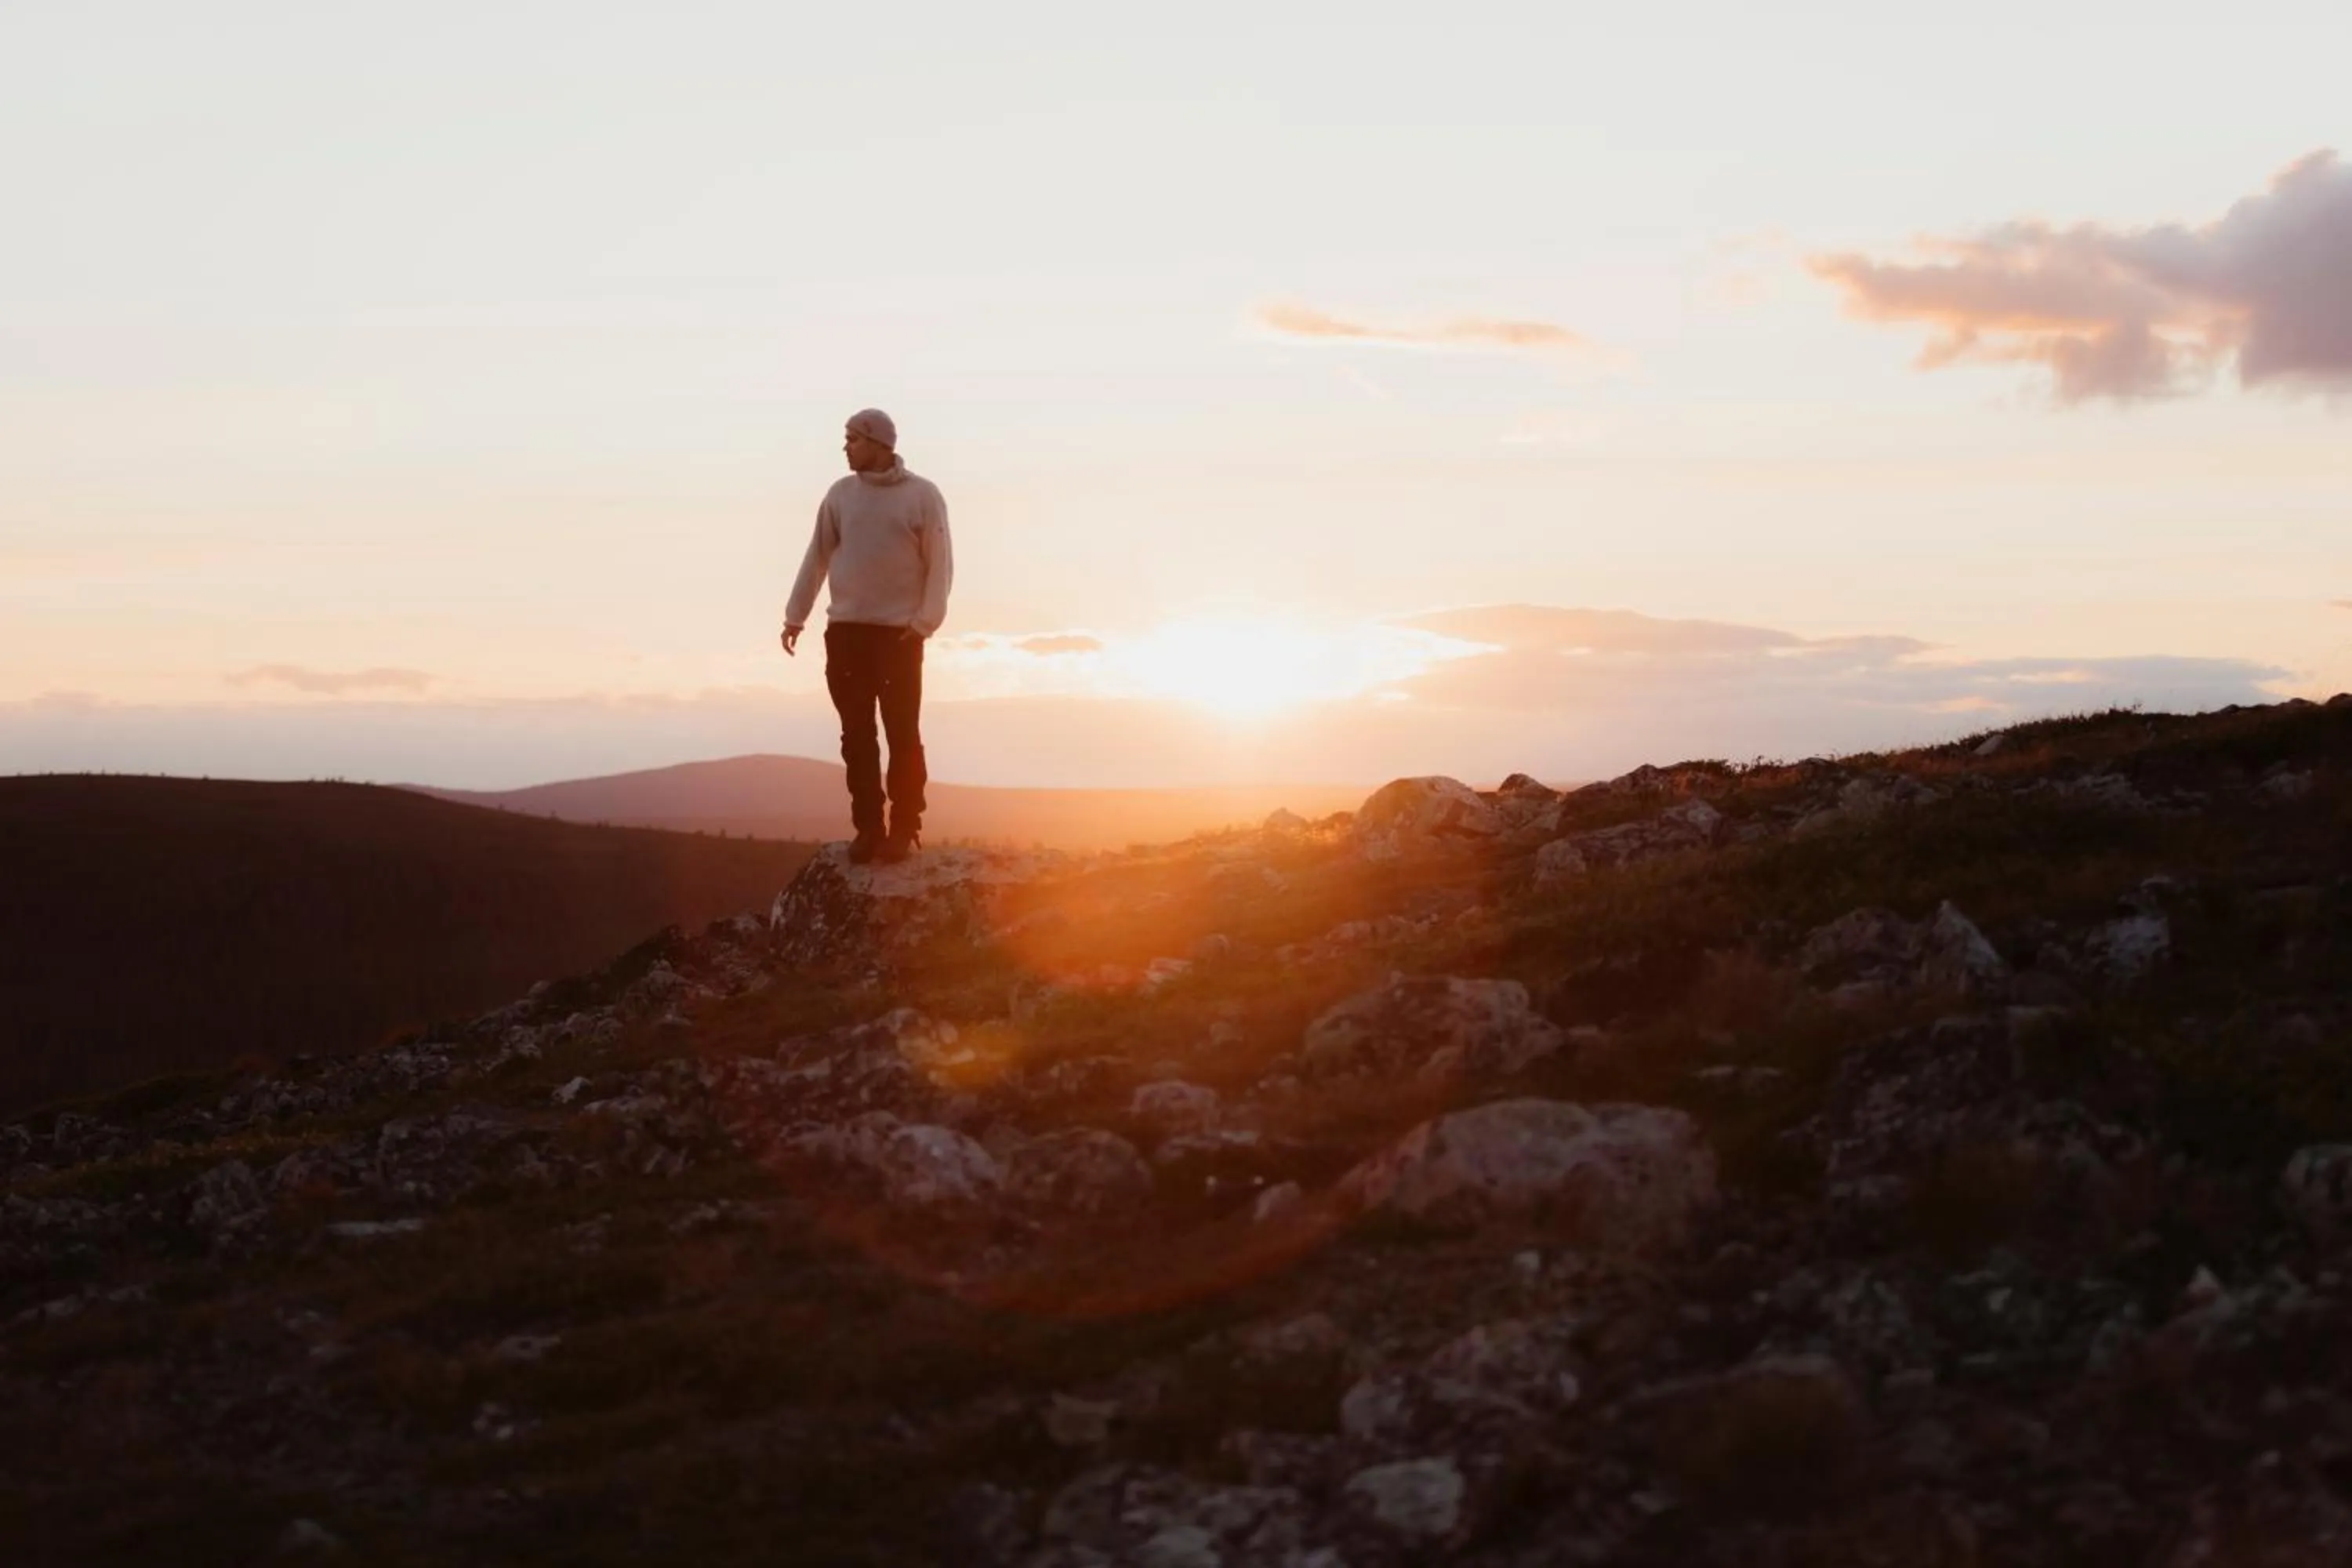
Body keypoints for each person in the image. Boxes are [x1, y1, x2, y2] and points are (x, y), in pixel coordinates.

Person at [781, 408, 953, 864]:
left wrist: (924, 624)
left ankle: (905, 827)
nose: (846, 447)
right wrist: (795, 617)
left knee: (902, 733)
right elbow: (816, 557)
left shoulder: (922, 496)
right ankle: (869, 829)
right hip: (846, 635)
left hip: (899, 637)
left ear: (879, 443)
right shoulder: (840, 496)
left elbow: (940, 562)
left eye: (852, 439)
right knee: (856, 735)